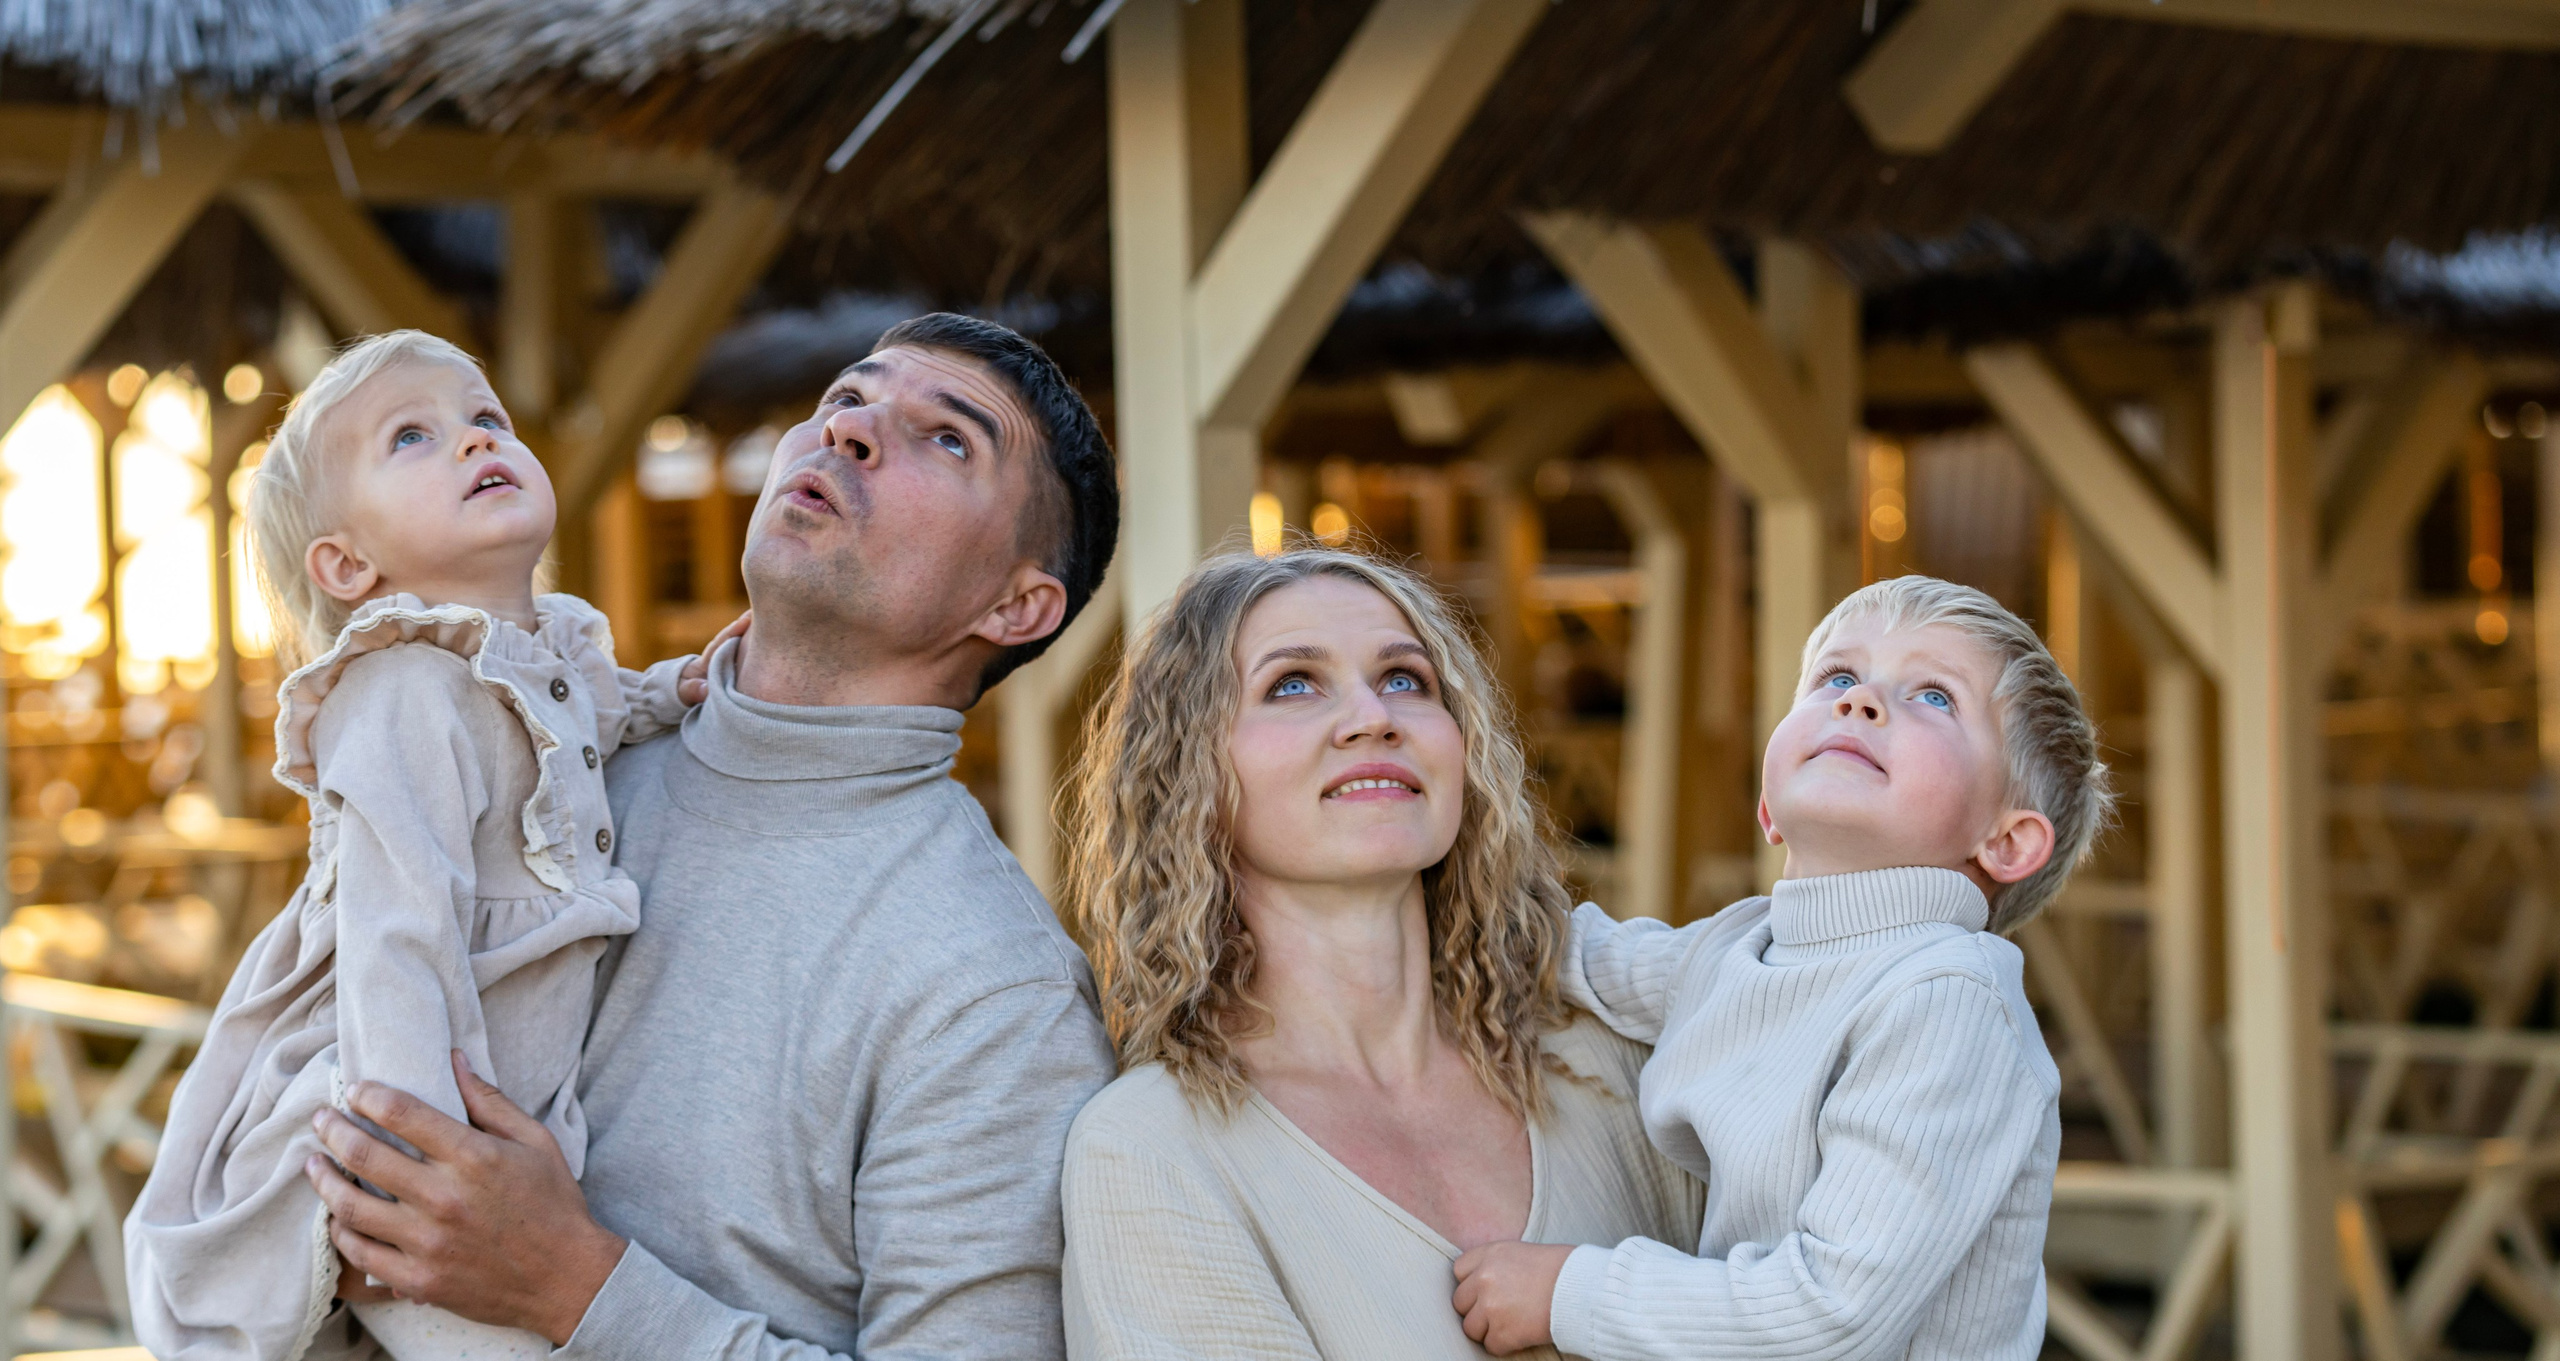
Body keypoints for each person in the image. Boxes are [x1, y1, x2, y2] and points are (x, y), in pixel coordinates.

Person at [297, 313, 1123, 1358]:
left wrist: (576, 1285)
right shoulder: (534, 764)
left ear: (1018, 604)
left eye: (949, 438)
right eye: (846, 396)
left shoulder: (995, 992)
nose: (853, 430)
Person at [125, 330, 728, 1360]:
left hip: (496, 1100)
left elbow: (583, 719)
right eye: (414, 435)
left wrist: (662, 691)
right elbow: (397, 934)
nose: (469, 440)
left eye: (483, 418)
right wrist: (418, 1163)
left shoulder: (548, 652)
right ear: (349, 563)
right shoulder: (399, 692)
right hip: (406, 1109)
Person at [1058, 547, 1703, 1360]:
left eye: (1406, 679)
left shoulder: (1614, 1064)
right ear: (1193, 776)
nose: (1373, 715)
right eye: (1292, 683)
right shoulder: (1152, 1150)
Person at [1450, 575, 2114, 1360]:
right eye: (1838, 676)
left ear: (2006, 841)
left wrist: (1570, 1291)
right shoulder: (1737, 947)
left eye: (1934, 696)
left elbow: (1832, 1310)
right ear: (1770, 803)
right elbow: (1561, 952)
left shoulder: (1948, 1001)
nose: (1859, 701)